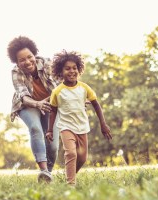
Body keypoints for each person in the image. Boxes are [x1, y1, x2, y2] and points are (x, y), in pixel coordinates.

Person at [46, 50, 112, 186]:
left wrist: (103, 124)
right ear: (60, 71)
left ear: (79, 69)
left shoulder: (84, 88)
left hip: (82, 127)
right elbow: (53, 110)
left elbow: (96, 105)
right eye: (67, 69)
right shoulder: (57, 91)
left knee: (82, 158)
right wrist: (50, 130)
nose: (72, 71)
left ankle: (69, 176)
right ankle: (70, 185)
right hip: (66, 127)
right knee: (71, 154)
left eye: (74, 68)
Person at [7, 36, 60, 182]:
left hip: (50, 104)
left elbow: (59, 87)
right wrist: (37, 104)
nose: (27, 62)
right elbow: (23, 96)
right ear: (17, 62)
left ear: (34, 54)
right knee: (36, 129)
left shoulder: (48, 64)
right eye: (22, 60)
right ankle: (43, 170)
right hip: (27, 105)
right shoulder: (16, 72)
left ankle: (47, 175)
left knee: (53, 144)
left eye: (29, 57)